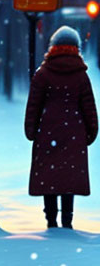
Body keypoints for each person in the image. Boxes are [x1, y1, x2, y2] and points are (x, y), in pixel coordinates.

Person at [24, 26, 97, 230]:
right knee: (68, 178)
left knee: (50, 177)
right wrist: (89, 133)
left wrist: (31, 131)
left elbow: (34, 106)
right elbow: (89, 107)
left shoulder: (43, 74)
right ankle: (67, 220)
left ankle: (50, 220)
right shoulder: (81, 76)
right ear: (76, 48)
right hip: (74, 133)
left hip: (47, 133)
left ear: (52, 47)